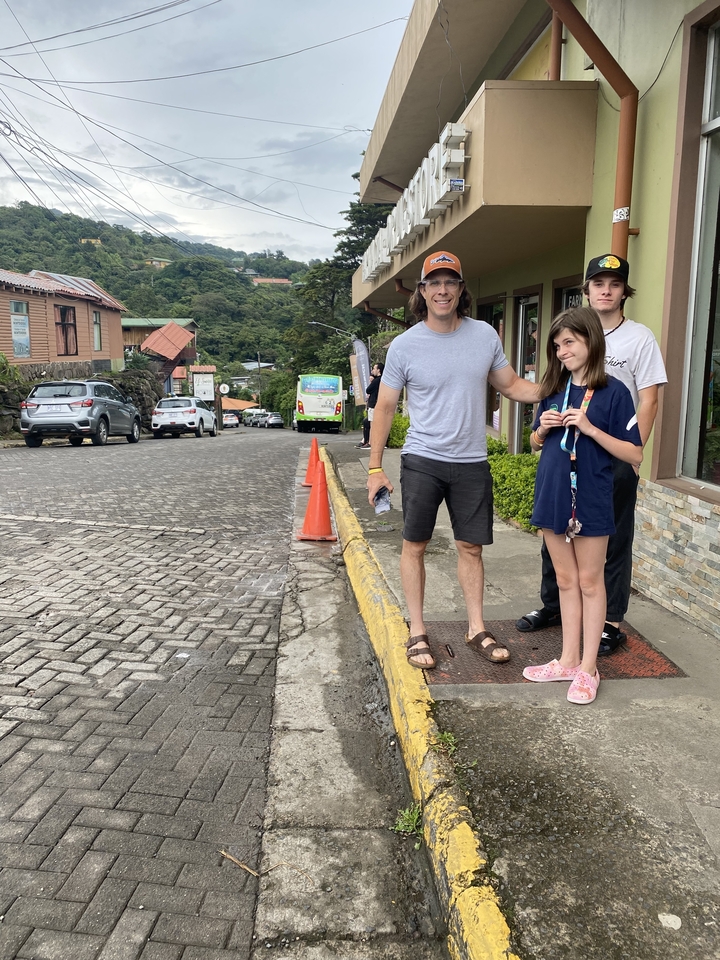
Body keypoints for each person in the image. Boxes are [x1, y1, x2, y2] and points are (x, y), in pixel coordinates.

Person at [365, 250, 541, 669]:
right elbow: (385, 408)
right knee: (415, 545)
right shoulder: (405, 346)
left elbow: (514, 385)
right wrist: (375, 468)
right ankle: (418, 631)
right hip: (423, 459)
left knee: (471, 547)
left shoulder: (484, 336)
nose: (442, 290)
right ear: (422, 292)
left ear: (461, 289)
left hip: (471, 461)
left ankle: (476, 626)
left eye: (450, 282)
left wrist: (564, 385)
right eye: (433, 283)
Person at [516, 254, 667, 654]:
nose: (605, 290)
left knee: (608, 544)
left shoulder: (638, 339)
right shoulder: (559, 370)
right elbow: (534, 436)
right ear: (586, 291)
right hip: (563, 465)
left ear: (623, 292)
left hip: (610, 456)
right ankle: (555, 607)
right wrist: (544, 428)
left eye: (614, 284)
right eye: (598, 283)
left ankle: (609, 623)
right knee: (557, 540)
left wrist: (633, 459)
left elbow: (649, 400)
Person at [522, 307, 643, 704]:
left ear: (591, 341)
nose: (561, 352)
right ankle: (567, 660)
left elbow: (635, 453)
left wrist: (590, 428)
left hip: (591, 495)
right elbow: (534, 443)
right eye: (557, 345)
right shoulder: (555, 388)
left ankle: (589, 668)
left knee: (591, 582)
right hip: (553, 492)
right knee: (565, 581)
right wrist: (543, 428)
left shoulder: (615, 393)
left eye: (569, 343)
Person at [358, 362, 383, 448]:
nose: (373, 370)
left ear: (378, 370)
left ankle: (370, 442)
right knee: (369, 422)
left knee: (372, 424)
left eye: (374, 369)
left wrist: (372, 382)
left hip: (373, 404)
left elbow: (368, 390)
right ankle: (367, 440)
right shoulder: (382, 380)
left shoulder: (376, 381)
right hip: (377, 403)